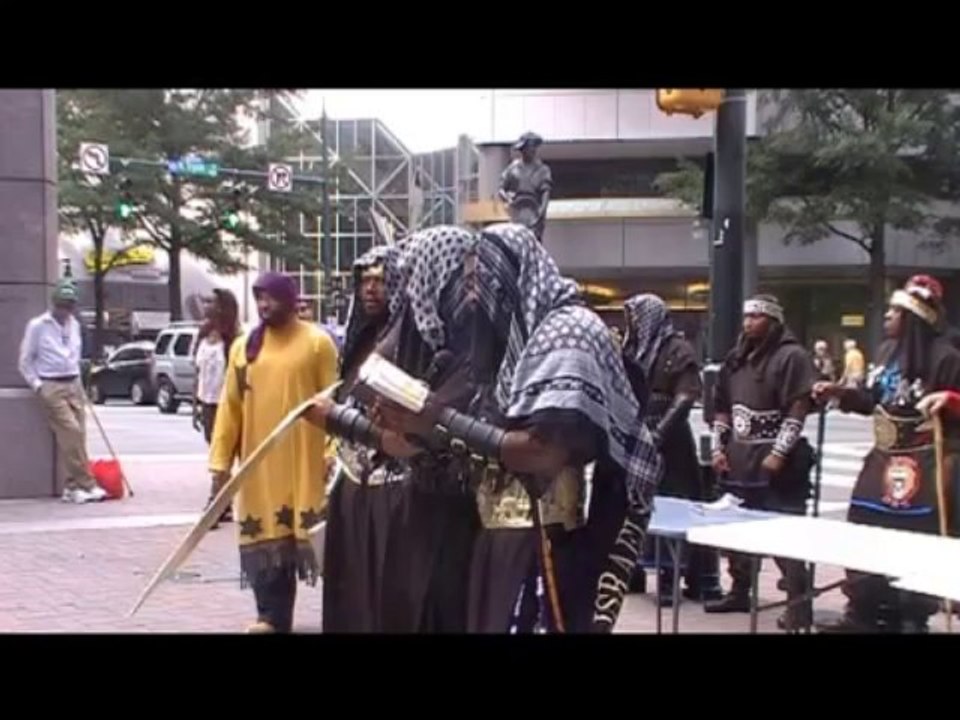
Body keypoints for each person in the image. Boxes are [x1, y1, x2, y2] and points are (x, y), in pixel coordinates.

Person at [348, 224, 664, 633]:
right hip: (494, 532)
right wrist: (409, 425)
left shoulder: (570, 331)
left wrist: (436, 418)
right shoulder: (501, 339)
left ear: (511, 271)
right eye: (469, 279)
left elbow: (542, 452)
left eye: (482, 276)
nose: (473, 292)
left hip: (550, 538)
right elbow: (467, 433)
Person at [813, 280, 960, 633]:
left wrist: (951, 401)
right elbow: (871, 399)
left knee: (916, 538)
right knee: (864, 525)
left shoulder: (947, 357)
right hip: (881, 460)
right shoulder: (884, 353)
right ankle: (862, 611)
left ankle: (911, 615)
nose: (887, 317)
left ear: (913, 316)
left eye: (895, 311)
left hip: (926, 463)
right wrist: (840, 394)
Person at [208, 272, 338, 633]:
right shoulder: (243, 346)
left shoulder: (317, 343)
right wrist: (220, 462)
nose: (264, 305)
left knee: (320, 542)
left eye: (271, 298)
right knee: (265, 537)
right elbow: (229, 407)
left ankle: (346, 612)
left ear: (290, 300)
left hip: (305, 461)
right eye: (258, 298)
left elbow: (333, 401)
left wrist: (332, 448)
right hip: (260, 463)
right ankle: (271, 616)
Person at [706, 294, 816, 631]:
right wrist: (717, 448)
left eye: (757, 316)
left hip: (775, 461)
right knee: (736, 531)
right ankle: (740, 589)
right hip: (740, 457)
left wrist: (780, 452)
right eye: (746, 316)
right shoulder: (735, 359)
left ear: (773, 321)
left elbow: (798, 407)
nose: (749, 322)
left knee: (783, 533)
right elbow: (722, 408)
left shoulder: (791, 357)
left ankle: (800, 603)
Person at [322, 245, 407, 632]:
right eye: (365, 281)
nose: (371, 289)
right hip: (350, 480)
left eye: (381, 280)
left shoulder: (409, 340)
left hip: (393, 485)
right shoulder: (358, 340)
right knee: (349, 588)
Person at [621, 294, 718, 604]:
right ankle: (634, 571)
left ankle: (669, 579)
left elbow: (686, 396)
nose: (631, 323)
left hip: (670, 444)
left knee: (671, 507)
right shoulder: (631, 349)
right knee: (635, 507)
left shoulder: (678, 349)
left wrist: (659, 434)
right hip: (637, 435)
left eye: (635, 316)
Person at [19, 278, 108, 504]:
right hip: (51, 384)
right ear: (54, 304)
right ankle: (87, 483)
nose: (67, 310)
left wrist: (80, 382)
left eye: (70, 305)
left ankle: (71, 486)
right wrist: (38, 386)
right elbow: (26, 360)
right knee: (71, 432)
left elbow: (75, 354)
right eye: (63, 305)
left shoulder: (74, 325)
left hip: (73, 382)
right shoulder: (38, 326)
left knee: (79, 435)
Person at [193, 289, 240, 527]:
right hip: (207, 402)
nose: (207, 305)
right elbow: (198, 373)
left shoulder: (233, 340)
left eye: (212, 302)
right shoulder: (201, 336)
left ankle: (215, 505)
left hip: (227, 404)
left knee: (222, 454)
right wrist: (196, 406)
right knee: (216, 453)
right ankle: (225, 503)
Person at [498, 132, 553, 242]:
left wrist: (541, 213)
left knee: (533, 243)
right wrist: (506, 198)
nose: (528, 151)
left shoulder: (542, 170)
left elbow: (546, 194)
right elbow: (501, 188)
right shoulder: (513, 168)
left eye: (531, 148)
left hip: (534, 211)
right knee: (516, 242)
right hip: (516, 211)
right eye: (525, 149)